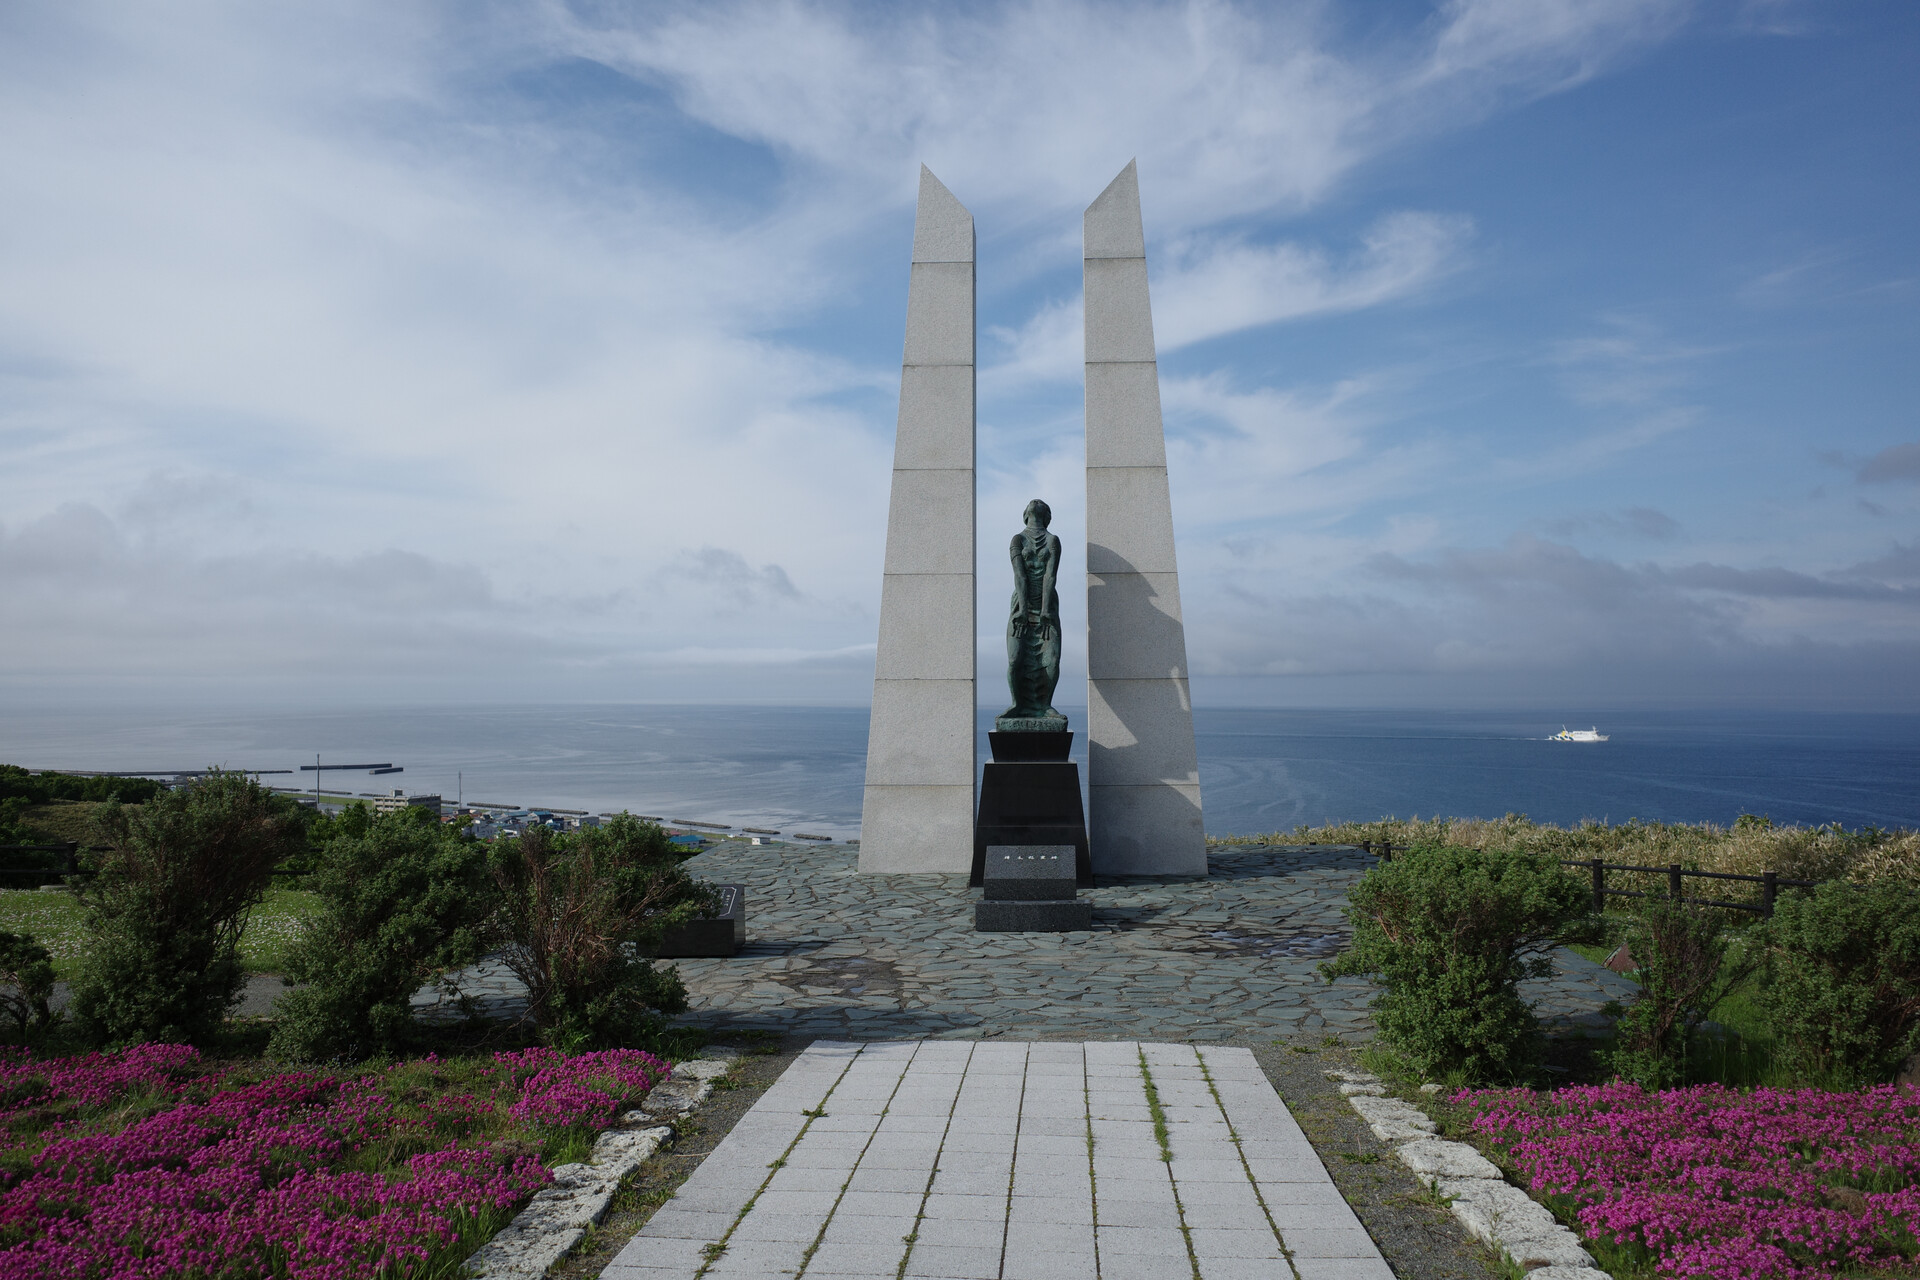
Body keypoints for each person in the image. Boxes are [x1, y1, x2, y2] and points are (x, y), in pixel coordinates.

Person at [1001, 499, 1064, 724]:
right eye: (1031, 505)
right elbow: (1019, 575)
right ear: (1025, 515)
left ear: (1047, 517)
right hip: (1021, 608)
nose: (1034, 504)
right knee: (1015, 659)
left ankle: (1045, 706)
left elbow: (1051, 576)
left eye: (1041, 506)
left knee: (1052, 659)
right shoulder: (1017, 540)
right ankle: (1017, 704)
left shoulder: (1052, 540)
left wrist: (1046, 609)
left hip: (1047, 607)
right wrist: (1024, 610)